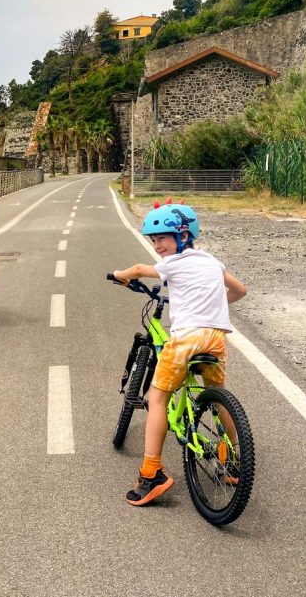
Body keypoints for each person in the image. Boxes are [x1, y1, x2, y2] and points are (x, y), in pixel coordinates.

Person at [111, 202, 247, 506]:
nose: (157, 245)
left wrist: (120, 275)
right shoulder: (212, 262)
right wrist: (211, 303)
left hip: (187, 338)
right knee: (217, 396)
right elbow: (240, 291)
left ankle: (152, 474)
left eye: (163, 238)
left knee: (157, 398)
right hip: (215, 338)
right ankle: (231, 460)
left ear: (184, 236)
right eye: (153, 240)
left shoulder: (174, 263)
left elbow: (138, 270)